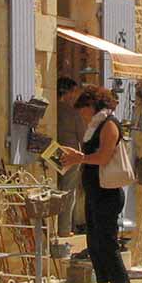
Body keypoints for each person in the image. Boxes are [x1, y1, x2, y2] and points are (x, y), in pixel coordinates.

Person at [60, 85, 130, 283]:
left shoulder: (109, 125)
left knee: (108, 246)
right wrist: (76, 156)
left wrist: (80, 157)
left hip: (108, 194)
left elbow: (103, 157)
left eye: (84, 110)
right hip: (94, 192)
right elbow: (90, 156)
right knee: (95, 245)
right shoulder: (94, 127)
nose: (82, 114)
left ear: (93, 105)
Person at [54, 77, 85, 237]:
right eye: (74, 92)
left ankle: (54, 227)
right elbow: (83, 137)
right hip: (71, 156)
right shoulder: (72, 113)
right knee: (68, 192)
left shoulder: (53, 109)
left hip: (53, 153)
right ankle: (64, 228)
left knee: (54, 189)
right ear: (68, 93)